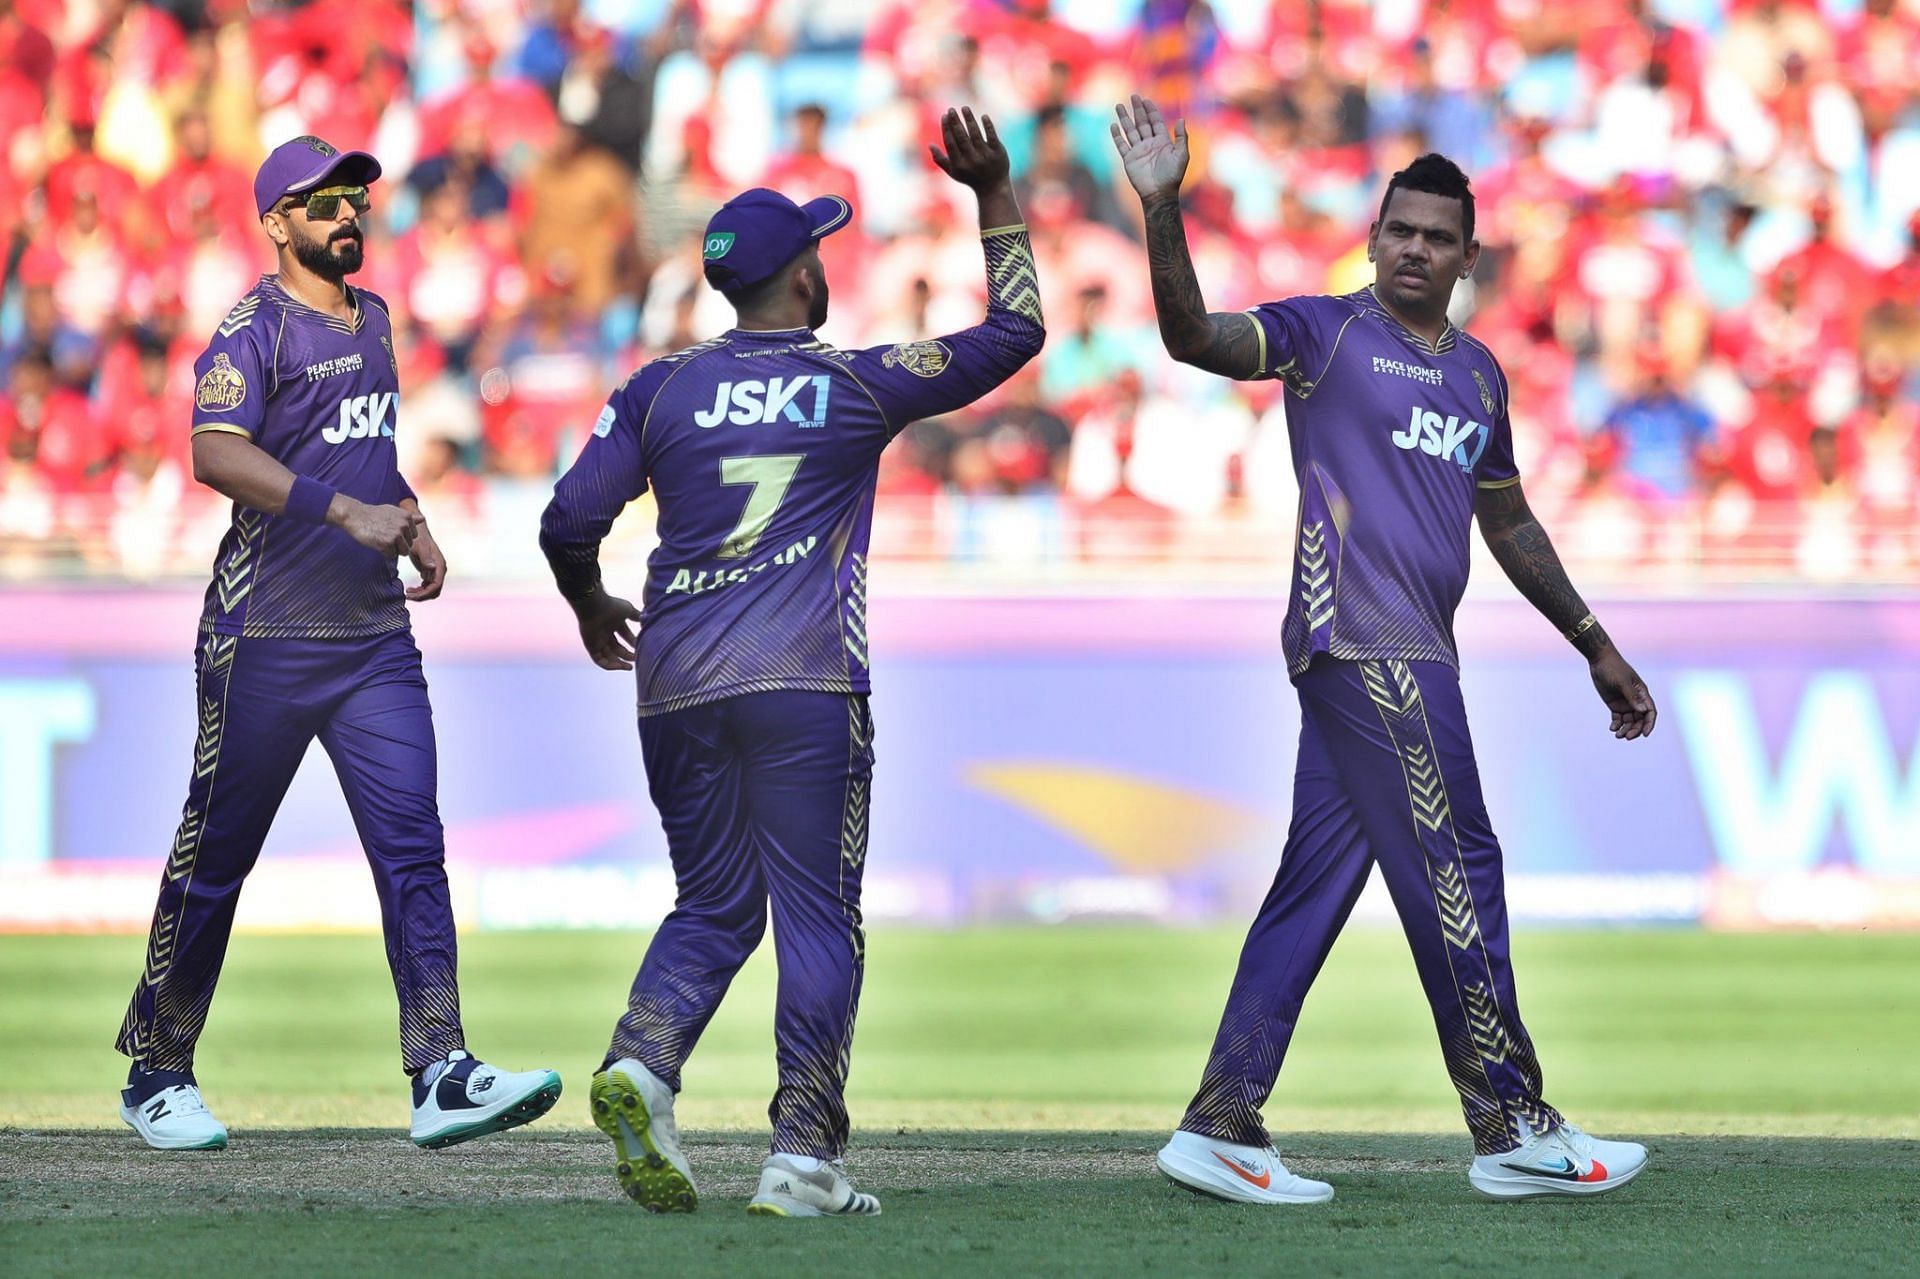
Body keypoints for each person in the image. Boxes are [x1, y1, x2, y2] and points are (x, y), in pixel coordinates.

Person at [1110, 95, 1657, 1203]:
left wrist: (1593, 640)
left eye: (1438, 237)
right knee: (1461, 861)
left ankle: (1221, 1121)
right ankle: (1511, 1121)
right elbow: (1192, 337)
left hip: (1411, 651)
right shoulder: (1323, 335)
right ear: (1372, 237)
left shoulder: (1480, 376)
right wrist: (1164, 210)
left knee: (1315, 885)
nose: (1415, 248)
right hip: (1365, 644)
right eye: (1399, 229)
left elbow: (1507, 521)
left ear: (1468, 255)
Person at [539, 107, 1043, 1217]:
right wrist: (992, 192)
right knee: (818, 916)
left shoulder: (659, 387)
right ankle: (802, 1156)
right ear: (806, 277)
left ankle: (642, 1063)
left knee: (715, 903)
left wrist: (588, 607)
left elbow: (568, 520)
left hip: (672, 682)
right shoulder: (854, 383)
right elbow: (1016, 334)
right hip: (805, 681)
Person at [115, 135, 561, 1152]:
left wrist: (407, 514)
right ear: (276, 224)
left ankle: (441, 1069)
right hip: (262, 633)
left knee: (414, 850)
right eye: (320, 204)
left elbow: (367, 454)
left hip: (370, 638)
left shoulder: (377, 320)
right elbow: (213, 451)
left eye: (353, 198)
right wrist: (341, 513)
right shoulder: (250, 332)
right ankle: (158, 1071)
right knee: (216, 861)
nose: (345, 216)